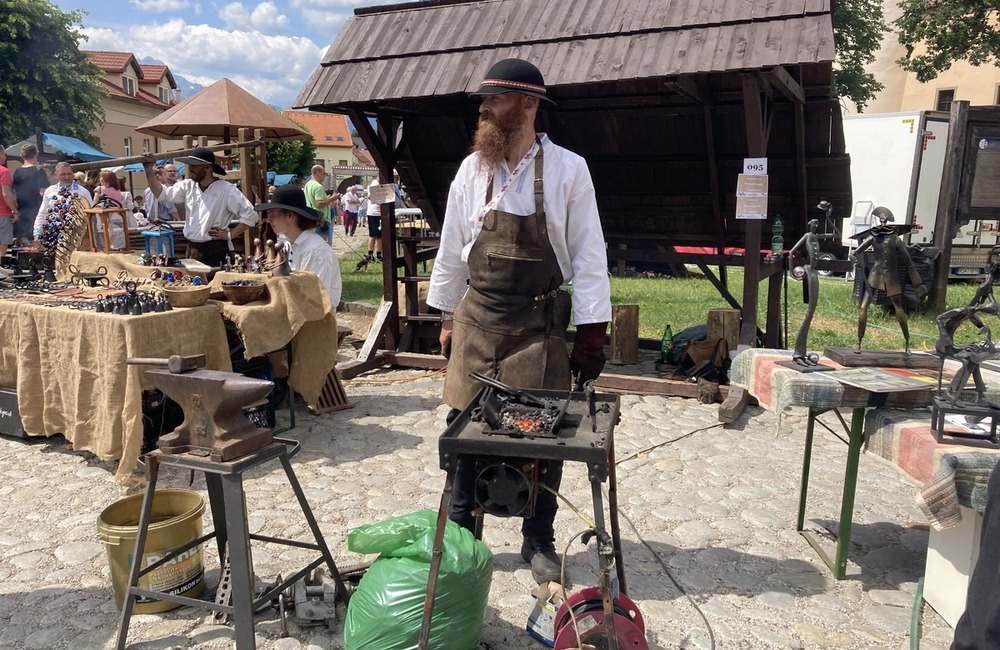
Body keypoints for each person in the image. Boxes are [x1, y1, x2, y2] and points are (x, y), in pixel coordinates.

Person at [426, 58, 612, 585]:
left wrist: (592, 334)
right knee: (465, 426)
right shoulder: (472, 170)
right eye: (484, 100)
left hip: (538, 325)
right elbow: (451, 251)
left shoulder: (568, 169)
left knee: (540, 434)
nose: (484, 108)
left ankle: (538, 538)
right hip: (478, 319)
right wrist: (445, 318)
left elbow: (590, 254)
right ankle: (462, 531)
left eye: (496, 99)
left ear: (528, 105)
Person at [143, 148, 257, 267]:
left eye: (195, 165)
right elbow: (162, 194)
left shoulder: (226, 189)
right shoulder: (188, 186)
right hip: (192, 249)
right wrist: (148, 170)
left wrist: (230, 235)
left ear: (207, 167)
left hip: (215, 251)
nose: (191, 169)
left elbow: (250, 215)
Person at [850, 206, 928, 353]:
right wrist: (918, 283)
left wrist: (855, 260)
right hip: (884, 276)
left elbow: (854, 253)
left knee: (888, 308)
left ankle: (906, 344)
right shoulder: (894, 239)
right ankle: (861, 343)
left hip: (881, 276)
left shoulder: (876, 238)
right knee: (871, 308)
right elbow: (909, 262)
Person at [254, 185, 342, 306]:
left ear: (289, 215)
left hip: (313, 320)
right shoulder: (289, 246)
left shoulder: (316, 251)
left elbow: (316, 299)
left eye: (273, 214)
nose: (269, 220)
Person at [32, 161, 93, 243]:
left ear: (73, 174)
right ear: (56, 175)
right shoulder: (49, 191)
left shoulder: (83, 192)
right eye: (63, 174)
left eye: (69, 174)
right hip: (55, 236)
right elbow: (43, 213)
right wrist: (37, 232)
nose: (67, 177)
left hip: (77, 237)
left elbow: (93, 215)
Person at [788, 218, 821, 366]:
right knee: (809, 313)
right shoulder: (807, 236)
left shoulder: (815, 237)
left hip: (814, 272)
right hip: (808, 269)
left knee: (812, 310)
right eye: (814, 224)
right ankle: (798, 353)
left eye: (817, 225)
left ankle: (801, 352)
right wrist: (792, 272)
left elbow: (837, 234)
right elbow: (791, 252)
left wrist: (829, 215)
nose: (816, 226)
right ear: (810, 225)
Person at [12, 144, 48, 245]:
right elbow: (43, 192)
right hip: (37, 212)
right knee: (38, 244)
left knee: (24, 246)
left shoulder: (17, 172)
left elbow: (14, 194)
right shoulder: (39, 171)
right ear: (35, 155)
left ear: (22, 156)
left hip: (22, 213)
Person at [304, 165, 338, 243]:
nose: (325, 175)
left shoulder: (308, 185)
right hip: (320, 219)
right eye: (324, 173)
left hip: (311, 217)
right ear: (318, 173)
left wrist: (327, 199)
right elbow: (319, 204)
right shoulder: (318, 186)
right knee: (320, 244)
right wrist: (332, 199)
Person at [0, 147, 18, 257]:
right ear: (1, 153)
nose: (5, 157)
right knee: (2, 243)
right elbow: (5, 194)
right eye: (5, 154)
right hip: (2, 213)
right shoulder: (3, 171)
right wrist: (15, 211)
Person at [366, 177, 383, 262]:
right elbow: (369, 196)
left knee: (376, 234)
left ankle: (372, 254)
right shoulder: (375, 184)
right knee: (376, 235)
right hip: (375, 213)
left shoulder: (377, 184)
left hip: (375, 213)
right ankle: (376, 255)